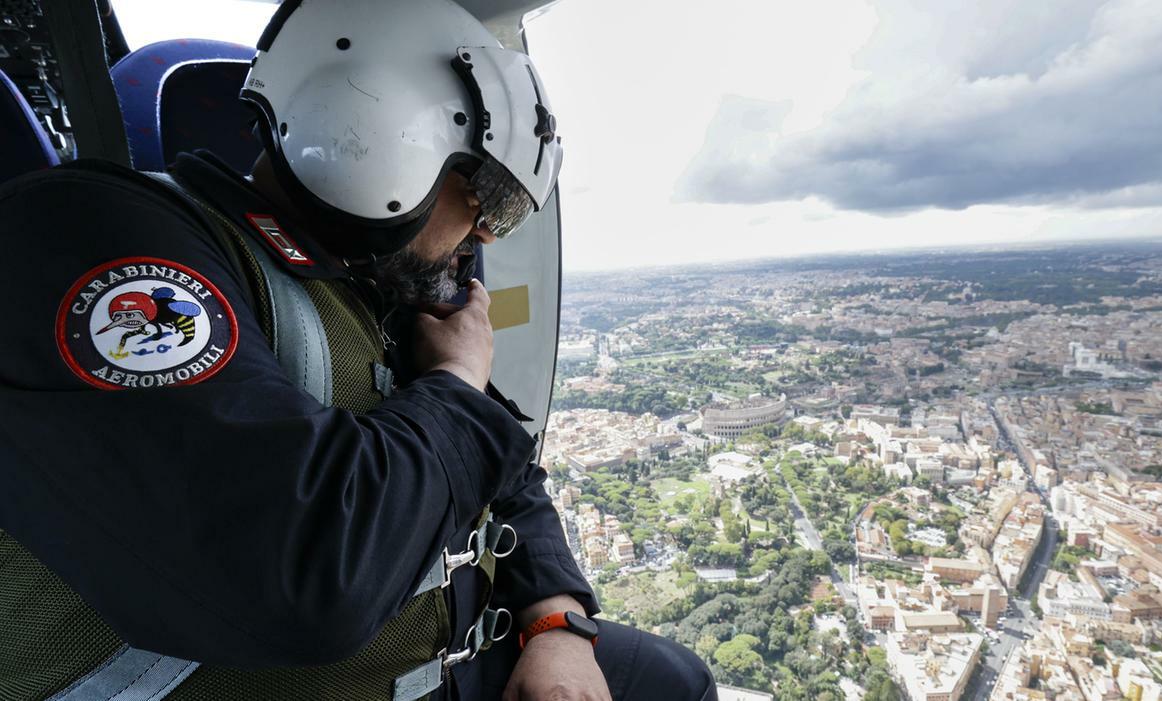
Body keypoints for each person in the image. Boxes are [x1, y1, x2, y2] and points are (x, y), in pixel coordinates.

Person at [0, 0, 715, 699]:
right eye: (489, 198)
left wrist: (556, 621)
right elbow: (305, 575)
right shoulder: (98, 237)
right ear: (385, 137)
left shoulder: (375, 286)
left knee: (674, 681)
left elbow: (506, 470)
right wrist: (459, 380)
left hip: (457, 659)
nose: (489, 236)